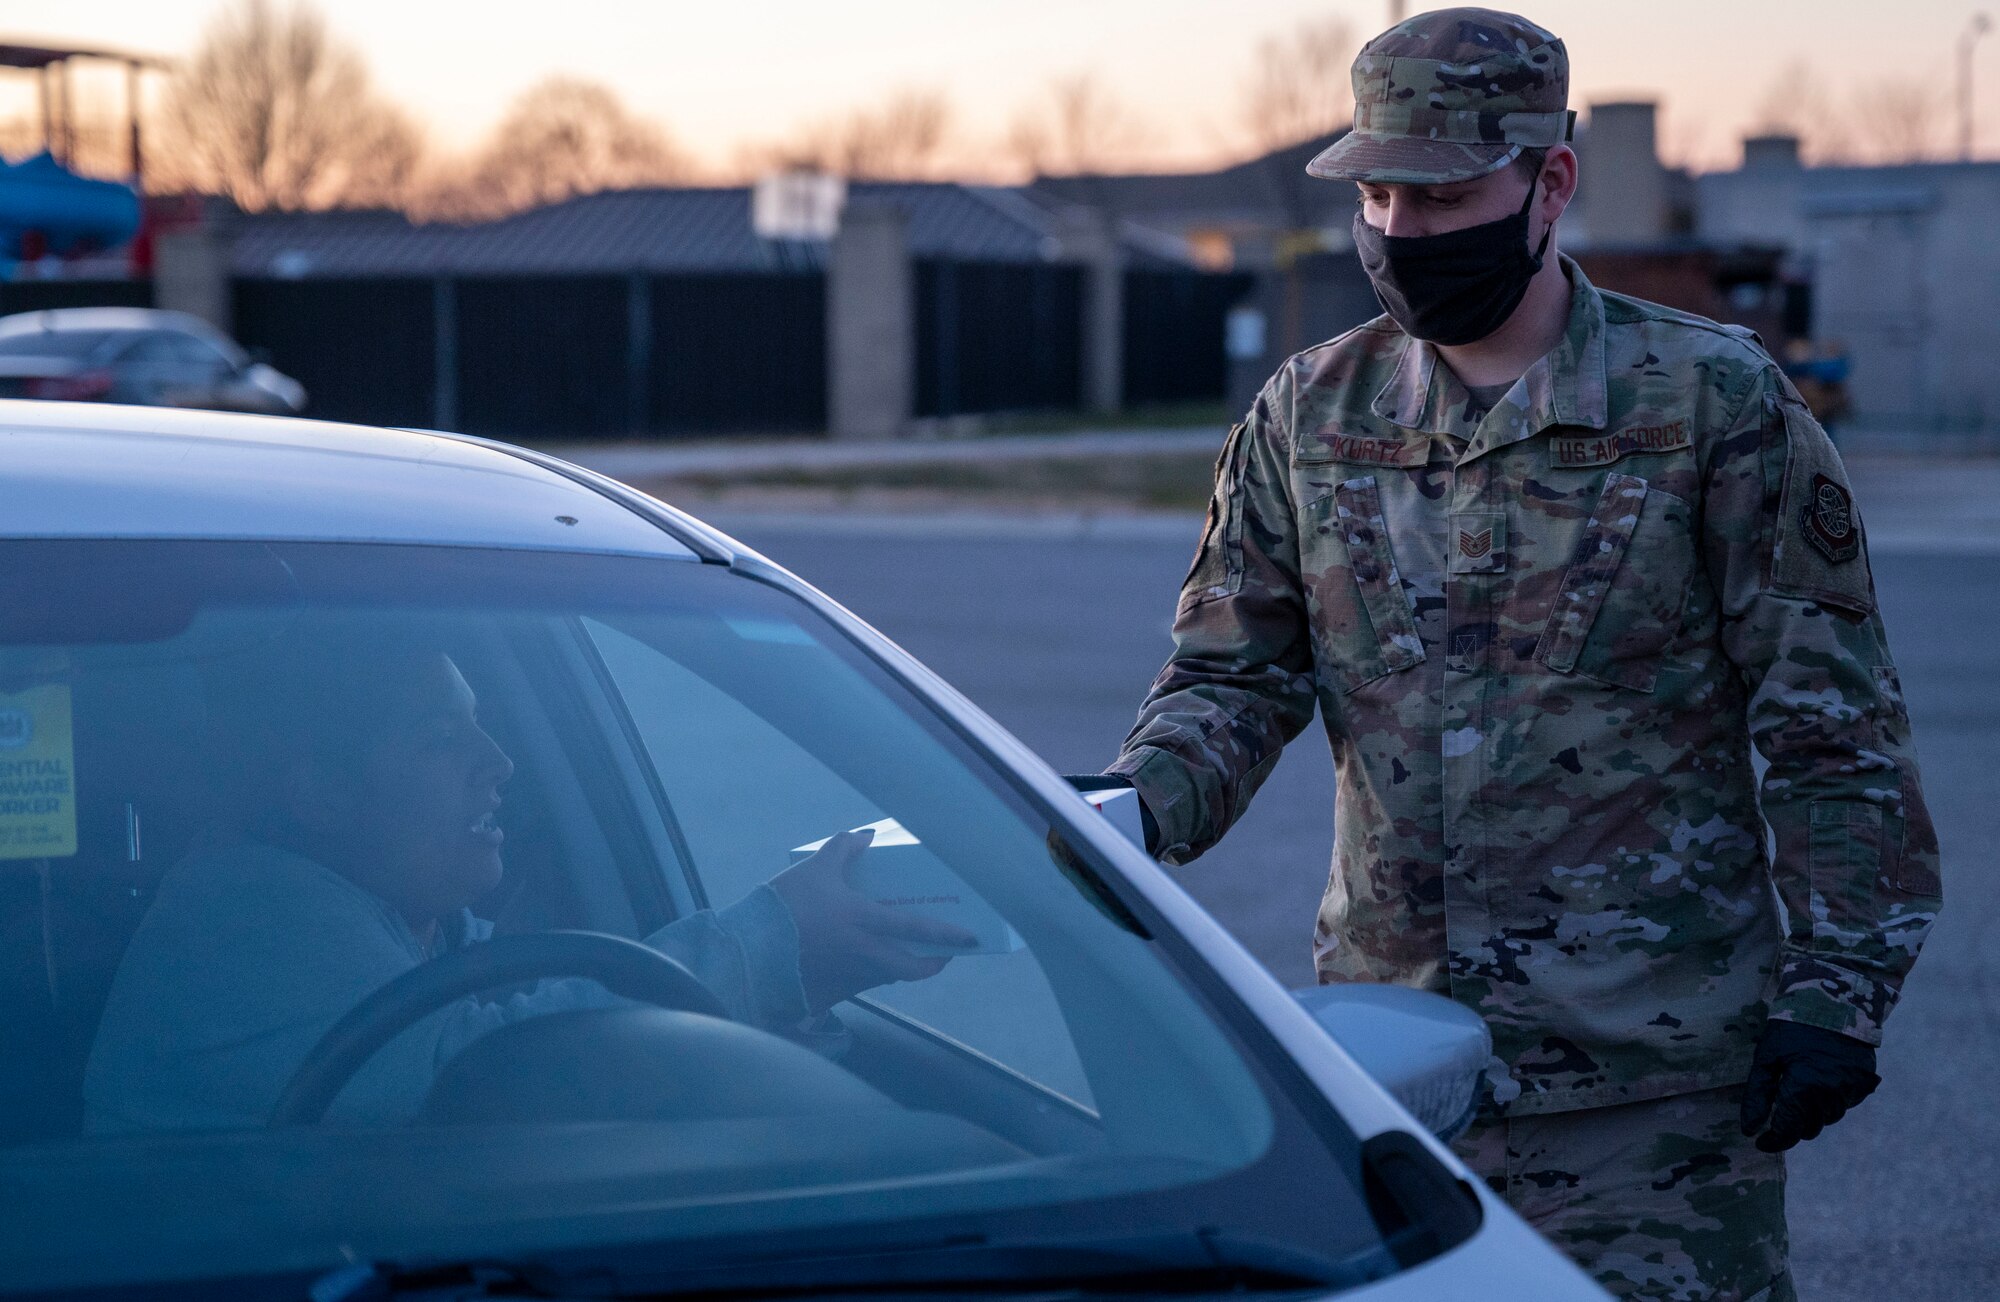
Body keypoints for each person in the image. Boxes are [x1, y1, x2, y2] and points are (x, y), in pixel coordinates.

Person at [1087, 9, 1940, 1299]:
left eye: (1440, 195)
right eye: (1376, 193)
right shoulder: (1310, 414)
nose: (1400, 231)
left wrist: (1838, 991)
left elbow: (1828, 724)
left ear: (1549, 182)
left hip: (1649, 1094)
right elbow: (1230, 677)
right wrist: (1116, 823)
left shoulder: (1708, 406)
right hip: (1394, 1068)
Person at [85, 617, 968, 1133]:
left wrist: (801, 970)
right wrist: (781, 949)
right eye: (442, 738)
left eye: (485, 725)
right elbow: (497, 1081)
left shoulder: (408, 924)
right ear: (321, 792)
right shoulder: (245, 924)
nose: (500, 762)